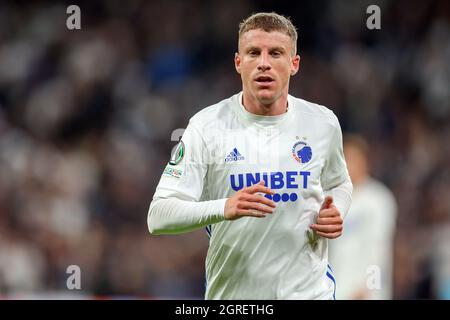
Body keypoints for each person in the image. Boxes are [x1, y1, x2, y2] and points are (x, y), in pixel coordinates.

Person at [147, 12, 353, 300]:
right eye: (254, 53)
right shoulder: (206, 127)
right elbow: (158, 216)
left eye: (276, 53)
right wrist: (224, 207)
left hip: (310, 293)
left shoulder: (323, 122)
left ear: (294, 64)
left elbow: (340, 183)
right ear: (238, 63)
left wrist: (337, 210)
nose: (264, 63)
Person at [328, 135, 397, 299]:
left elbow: (379, 247)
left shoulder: (378, 199)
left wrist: (370, 289)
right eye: (344, 159)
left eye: (352, 158)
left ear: (365, 162)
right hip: (337, 289)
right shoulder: (333, 199)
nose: (348, 164)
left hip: (364, 292)